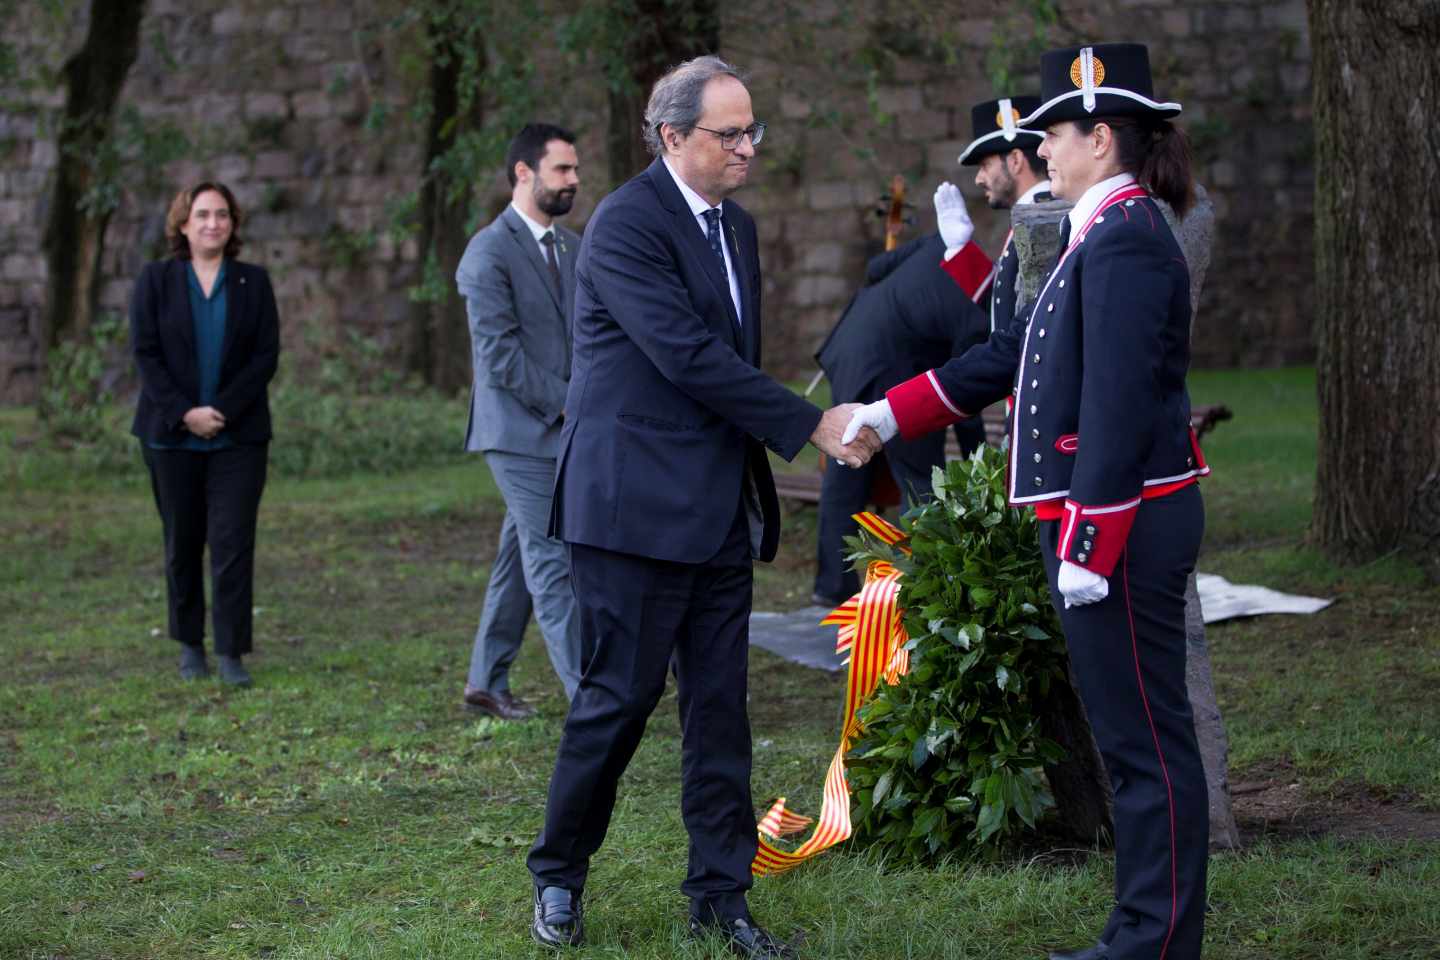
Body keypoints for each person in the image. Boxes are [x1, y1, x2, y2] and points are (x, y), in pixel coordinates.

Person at [845, 43, 1210, 960]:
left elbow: (1121, 405)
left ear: (1101, 135)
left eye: (1055, 130)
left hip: (1116, 526)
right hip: (1100, 523)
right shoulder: (1100, 226)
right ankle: (1143, 932)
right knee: (1131, 741)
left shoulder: (1124, 234)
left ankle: (1153, 943)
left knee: (1146, 747)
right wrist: (892, 414)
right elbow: (1016, 359)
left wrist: (1089, 542)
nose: (1041, 145)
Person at [525, 55, 878, 959]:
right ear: (672, 136)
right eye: (731, 133)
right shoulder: (625, 226)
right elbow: (686, 356)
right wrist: (813, 423)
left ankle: (721, 898)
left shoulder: (739, 229)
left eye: (753, 130)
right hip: (632, 509)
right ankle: (559, 874)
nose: (749, 147)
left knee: (721, 711)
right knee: (619, 701)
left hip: (717, 507)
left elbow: (721, 360)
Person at [456, 123, 584, 719]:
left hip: (562, 429)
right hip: (514, 433)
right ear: (524, 173)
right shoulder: (487, 252)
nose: (574, 180)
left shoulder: (573, 246)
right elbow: (499, 358)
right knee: (552, 556)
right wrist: (567, 402)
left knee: (521, 551)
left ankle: (486, 678)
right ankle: (592, 703)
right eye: (562, 170)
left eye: (575, 170)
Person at [129, 182, 279, 687]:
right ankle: (190, 644)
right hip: (171, 437)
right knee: (183, 542)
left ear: (232, 224)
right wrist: (185, 413)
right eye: (202, 214)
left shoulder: (253, 283)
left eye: (222, 214)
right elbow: (145, 355)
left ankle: (231, 650)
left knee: (234, 542)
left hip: (238, 438)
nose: (212, 223)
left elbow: (265, 356)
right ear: (183, 223)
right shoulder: (155, 281)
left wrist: (222, 411)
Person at [809, 207, 991, 606]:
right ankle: (921, 588)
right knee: (919, 479)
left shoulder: (930, 245)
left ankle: (832, 587)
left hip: (851, 352)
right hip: (896, 369)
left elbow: (875, 267)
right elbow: (967, 391)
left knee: (846, 469)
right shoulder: (978, 308)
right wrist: (981, 457)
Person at [949, 94, 1052, 332]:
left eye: (985, 165)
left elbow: (1032, 327)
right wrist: (961, 252)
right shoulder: (1031, 216)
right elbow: (1004, 303)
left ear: (1015, 160)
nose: (978, 179)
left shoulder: (1043, 219)